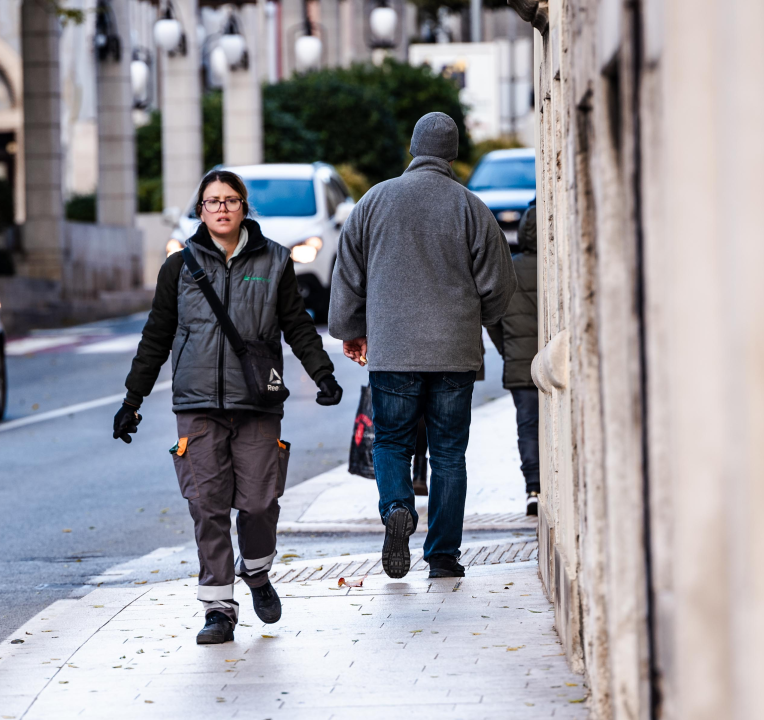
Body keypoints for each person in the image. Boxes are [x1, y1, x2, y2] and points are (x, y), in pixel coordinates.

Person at [114, 170, 343, 645]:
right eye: (212, 201)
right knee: (207, 506)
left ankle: (256, 572)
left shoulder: (276, 260)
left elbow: (298, 325)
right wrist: (132, 400)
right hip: (197, 405)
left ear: (244, 207)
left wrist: (322, 373)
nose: (221, 208)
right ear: (200, 210)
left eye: (230, 200)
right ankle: (218, 608)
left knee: (260, 503)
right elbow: (155, 337)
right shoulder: (178, 268)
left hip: (258, 401)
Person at [329, 112, 516, 580]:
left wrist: (350, 328)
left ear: (413, 147)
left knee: (390, 440)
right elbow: (500, 283)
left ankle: (398, 508)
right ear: (452, 153)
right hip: (454, 351)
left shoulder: (374, 201)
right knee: (449, 452)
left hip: (393, 349)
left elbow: (348, 272)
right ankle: (444, 556)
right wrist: (476, 319)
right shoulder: (471, 207)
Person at [486, 200, 540, 515]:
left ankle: (533, 487)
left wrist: (508, 349)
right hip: (558, 360)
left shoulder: (509, 268)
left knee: (528, 425)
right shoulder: (559, 264)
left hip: (520, 363)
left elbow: (491, 317)